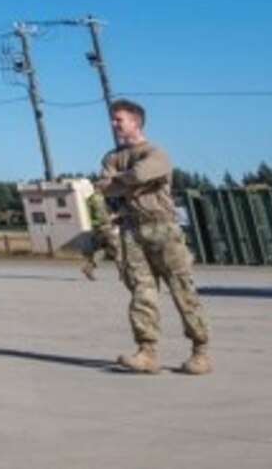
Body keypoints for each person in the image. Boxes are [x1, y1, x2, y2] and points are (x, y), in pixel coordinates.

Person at [96, 98, 211, 375]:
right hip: (132, 230)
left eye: (119, 119)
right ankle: (147, 352)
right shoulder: (111, 157)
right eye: (113, 120)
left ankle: (201, 352)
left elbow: (140, 173)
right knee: (141, 292)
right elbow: (106, 188)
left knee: (182, 289)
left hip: (163, 228)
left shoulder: (156, 152)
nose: (114, 124)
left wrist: (124, 182)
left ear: (135, 121)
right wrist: (129, 182)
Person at [80, 187, 120, 280]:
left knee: (103, 249)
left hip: (98, 228)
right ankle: (124, 273)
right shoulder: (98, 199)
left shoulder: (91, 198)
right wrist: (112, 220)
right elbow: (101, 215)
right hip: (105, 227)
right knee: (118, 249)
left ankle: (89, 267)